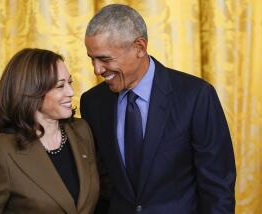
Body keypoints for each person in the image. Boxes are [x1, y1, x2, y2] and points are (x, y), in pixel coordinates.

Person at [80, 4, 236, 214]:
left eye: (105, 59)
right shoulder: (93, 102)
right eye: (92, 59)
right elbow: (99, 182)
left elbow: (217, 187)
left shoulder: (196, 96)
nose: (97, 70)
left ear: (139, 48)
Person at [0, 48, 99, 214]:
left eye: (69, 82)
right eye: (60, 86)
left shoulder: (82, 130)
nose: (71, 92)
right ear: (31, 92)